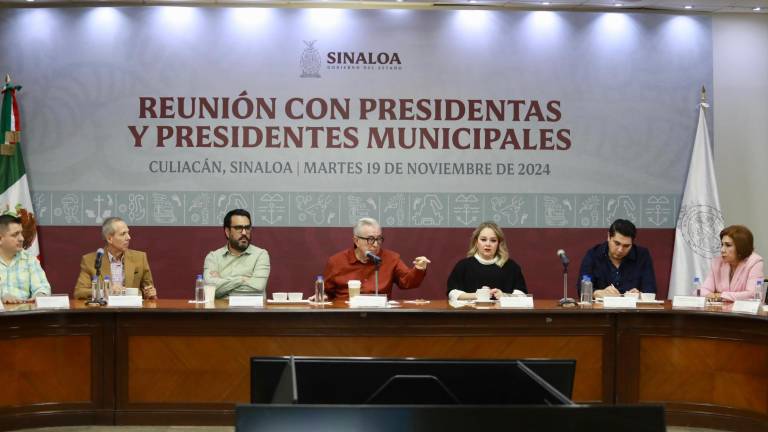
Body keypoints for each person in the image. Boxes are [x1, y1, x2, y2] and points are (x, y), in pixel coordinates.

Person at [321, 217, 430, 300]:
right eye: (370, 239)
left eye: (379, 239)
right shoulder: (336, 262)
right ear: (356, 241)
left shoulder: (391, 258)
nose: (375, 244)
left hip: (380, 318)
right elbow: (325, 292)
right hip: (346, 318)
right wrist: (322, 296)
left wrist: (419, 269)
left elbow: (407, 282)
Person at [74, 217, 157, 300]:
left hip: (131, 311)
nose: (128, 237)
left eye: (128, 233)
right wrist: (105, 292)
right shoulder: (90, 260)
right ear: (110, 239)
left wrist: (150, 293)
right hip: (103, 310)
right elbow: (79, 292)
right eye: (123, 234)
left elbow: (149, 291)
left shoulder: (140, 258)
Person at [447, 221, 527, 302]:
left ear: (499, 243)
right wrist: (477, 295)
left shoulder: (511, 266)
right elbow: (452, 293)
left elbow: (522, 295)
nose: (488, 244)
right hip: (471, 314)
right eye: (483, 239)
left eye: (493, 240)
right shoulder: (463, 266)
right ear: (476, 242)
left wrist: (504, 296)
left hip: (502, 314)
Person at [577, 219, 657, 299]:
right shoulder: (593, 254)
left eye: (626, 246)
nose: (620, 250)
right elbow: (582, 288)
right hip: (601, 309)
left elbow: (650, 290)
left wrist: (640, 295)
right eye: (617, 243)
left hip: (633, 310)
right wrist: (596, 293)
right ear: (609, 237)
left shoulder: (642, 256)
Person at [204, 209, 270, 298]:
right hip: (221, 311)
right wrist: (242, 279)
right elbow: (210, 289)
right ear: (227, 232)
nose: (244, 232)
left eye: (247, 228)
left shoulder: (261, 255)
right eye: (238, 228)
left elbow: (258, 287)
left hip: (252, 311)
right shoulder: (213, 257)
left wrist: (221, 281)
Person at [700, 225, 764, 302]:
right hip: (720, 311)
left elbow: (753, 294)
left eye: (728, 245)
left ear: (741, 247)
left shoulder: (754, 262)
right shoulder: (717, 262)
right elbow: (703, 290)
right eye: (722, 244)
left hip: (743, 312)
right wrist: (709, 295)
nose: (722, 250)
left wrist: (721, 296)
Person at [0, 214, 51, 303]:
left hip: (24, 314)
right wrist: (2, 298)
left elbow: (42, 287)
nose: (22, 238)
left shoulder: (29, 260)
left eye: (21, 233)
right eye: (15, 234)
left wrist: (39, 296)